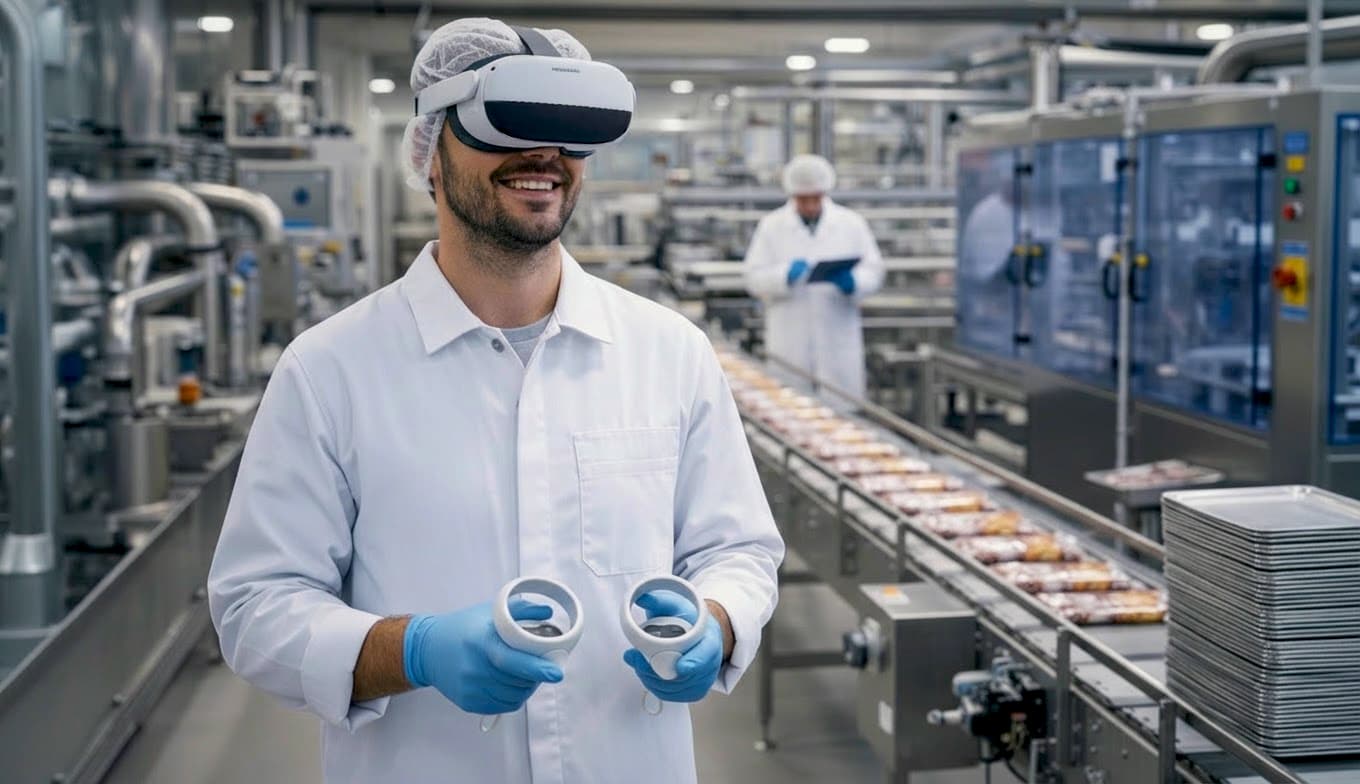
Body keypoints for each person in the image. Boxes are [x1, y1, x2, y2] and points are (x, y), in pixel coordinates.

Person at [207, 18, 783, 784]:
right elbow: (254, 606)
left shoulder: (666, 350)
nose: (543, 156)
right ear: (430, 152)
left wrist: (714, 620)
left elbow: (737, 550)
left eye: (566, 134)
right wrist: (410, 650)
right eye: (507, 126)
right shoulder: (330, 370)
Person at [742, 154, 885, 401]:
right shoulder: (772, 226)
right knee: (789, 413)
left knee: (842, 417)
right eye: (802, 199)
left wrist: (854, 282)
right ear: (792, 195)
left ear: (825, 193)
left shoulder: (851, 223)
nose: (809, 205)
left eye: (815, 198)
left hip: (837, 337)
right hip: (790, 342)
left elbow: (874, 271)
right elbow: (753, 278)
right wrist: (784, 275)